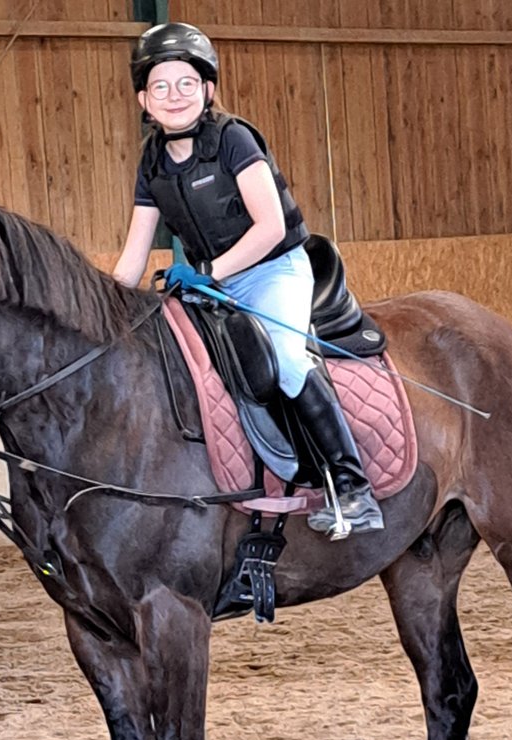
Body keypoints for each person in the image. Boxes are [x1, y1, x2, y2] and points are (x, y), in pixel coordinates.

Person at [112, 22, 383, 537]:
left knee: (283, 360)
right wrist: (103, 304)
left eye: (186, 83)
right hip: (209, 286)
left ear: (208, 89)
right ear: (144, 99)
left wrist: (208, 272)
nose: (175, 96)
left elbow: (270, 227)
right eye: (161, 87)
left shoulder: (234, 138)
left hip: (273, 269)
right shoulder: (150, 161)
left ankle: (352, 487)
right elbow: (132, 254)